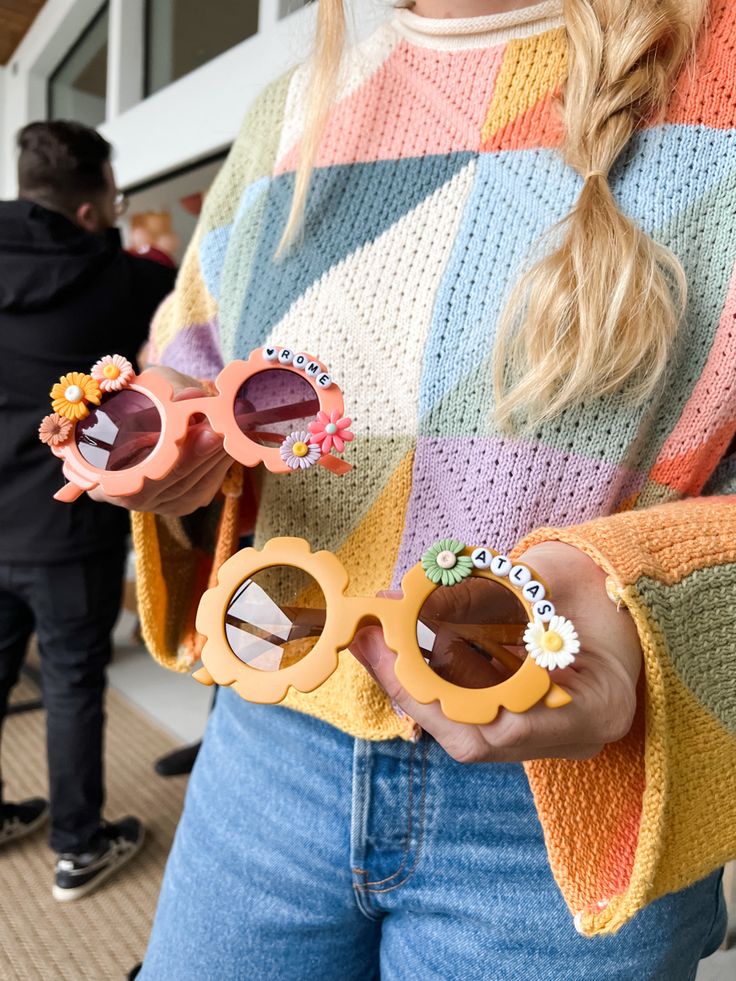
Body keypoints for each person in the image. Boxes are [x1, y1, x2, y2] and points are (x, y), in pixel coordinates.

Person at [107, 0, 734, 976]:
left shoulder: (719, 72)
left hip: (571, 796)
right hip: (269, 728)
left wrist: (648, 595)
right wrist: (160, 433)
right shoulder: (288, 111)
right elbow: (186, 358)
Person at [0, 120, 176, 900]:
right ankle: (79, 845)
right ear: (87, 208)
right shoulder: (126, 282)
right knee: (72, 683)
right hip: (70, 526)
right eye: (112, 195)